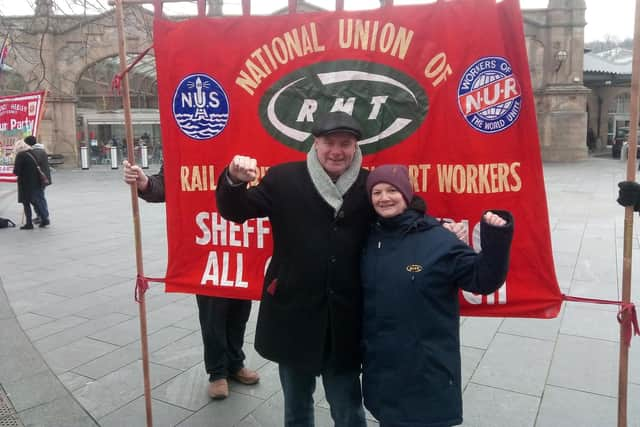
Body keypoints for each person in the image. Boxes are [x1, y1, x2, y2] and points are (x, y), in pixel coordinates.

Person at [217, 111, 371, 426]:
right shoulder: (283, 178)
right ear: (316, 143)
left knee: (348, 407)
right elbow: (236, 211)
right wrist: (233, 180)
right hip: (294, 312)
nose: (336, 151)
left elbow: (403, 212)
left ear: (355, 147)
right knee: (297, 408)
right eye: (329, 142)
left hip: (347, 316)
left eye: (345, 143)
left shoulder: (370, 185)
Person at [360, 165, 514, 427]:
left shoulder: (439, 239)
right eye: (376, 192)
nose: (384, 198)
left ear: (407, 194)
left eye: (392, 190)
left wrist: (496, 238)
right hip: (382, 366)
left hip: (426, 367)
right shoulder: (369, 237)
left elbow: (483, 280)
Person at [122, 160, 259, 400]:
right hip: (206, 247)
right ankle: (217, 372)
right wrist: (145, 184)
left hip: (242, 246)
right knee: (213, 316)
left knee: (239, 313)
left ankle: (235, 364)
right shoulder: (191, 145)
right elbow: (168, 184)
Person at [12, 138, 50, 229]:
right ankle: (44, 218)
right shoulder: (32, 153)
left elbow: (16, 171)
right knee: (35, 201)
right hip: (36, 181)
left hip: (25, 183)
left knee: (26, 203)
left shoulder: (20, 155)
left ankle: (29, 223)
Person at [24, 135, 51, 226]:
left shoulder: (37, 151)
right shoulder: (38, 150)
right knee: (37, 197)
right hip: (40, 178)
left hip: (39, 179)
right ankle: (40, 215)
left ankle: (44, 216)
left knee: (38, 198)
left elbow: (33, 164)